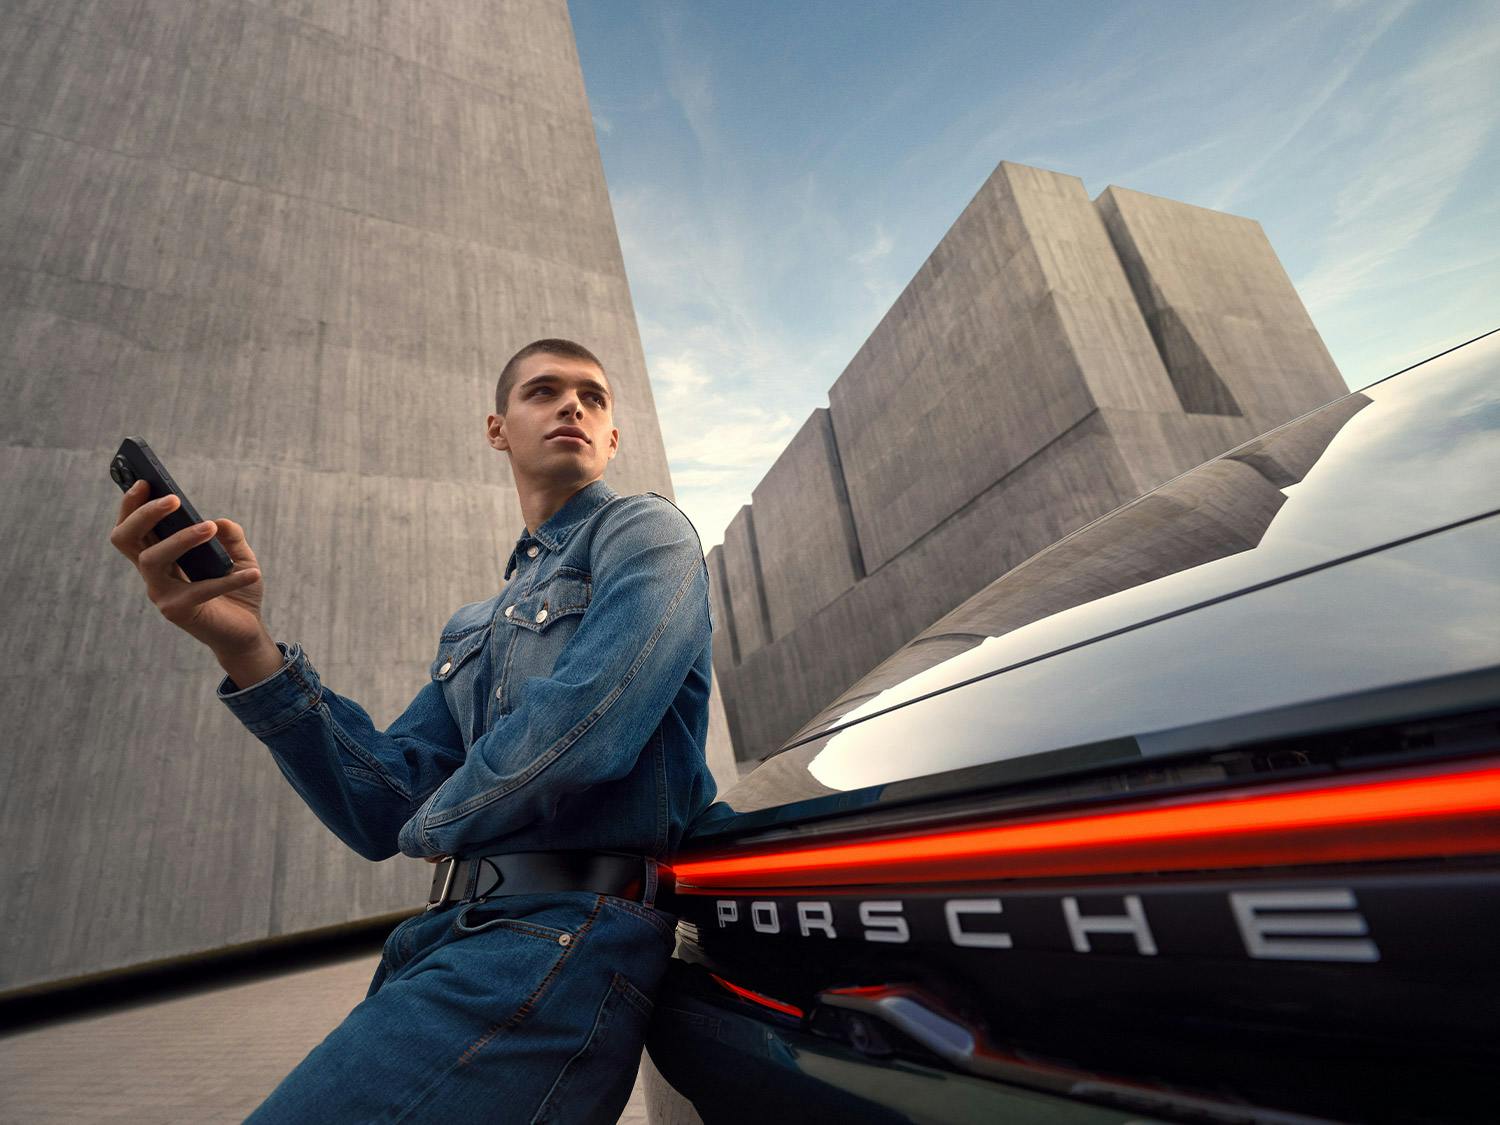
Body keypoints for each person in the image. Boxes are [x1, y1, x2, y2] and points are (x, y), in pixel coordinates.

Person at [108, 338, 718, 1122]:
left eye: (593, 398)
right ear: (497, 428)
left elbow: (587, 727)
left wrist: (429, 827)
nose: (573, 405)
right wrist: (247, 647)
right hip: (441, 937)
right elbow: (382, 802)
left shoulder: (648, 531)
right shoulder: (472, 624)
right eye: (544, 391)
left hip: (561, 936)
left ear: (612, 438)